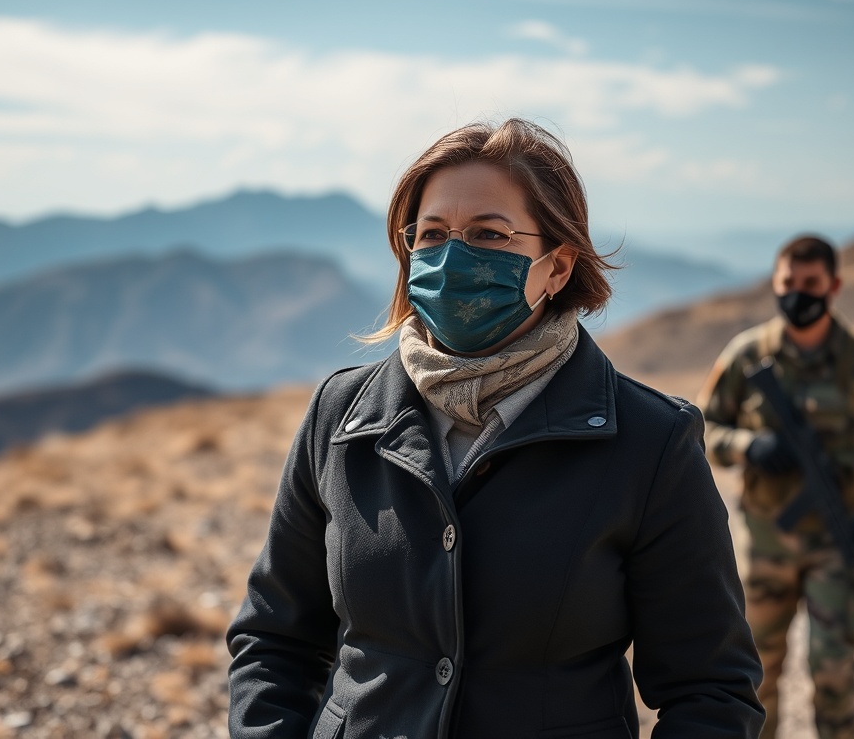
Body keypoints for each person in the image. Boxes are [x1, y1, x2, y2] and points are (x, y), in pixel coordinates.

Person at [227, 118, 764, 738]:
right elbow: (274, 642)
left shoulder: (650, 443)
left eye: (489, 234)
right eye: (432, 235)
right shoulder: (341, 416)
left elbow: (712, 691)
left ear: (558, 266)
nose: (453, 258)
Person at [698, 234, 854, 739]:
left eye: (811, 283)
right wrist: (749, 446)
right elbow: (699, 429)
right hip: (764, 546)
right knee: (753, 675)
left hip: (837, 546)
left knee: (834, 673)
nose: (798, 293)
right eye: (788, 282)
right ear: (775, 284)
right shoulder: (748, 355)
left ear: (834, 286)